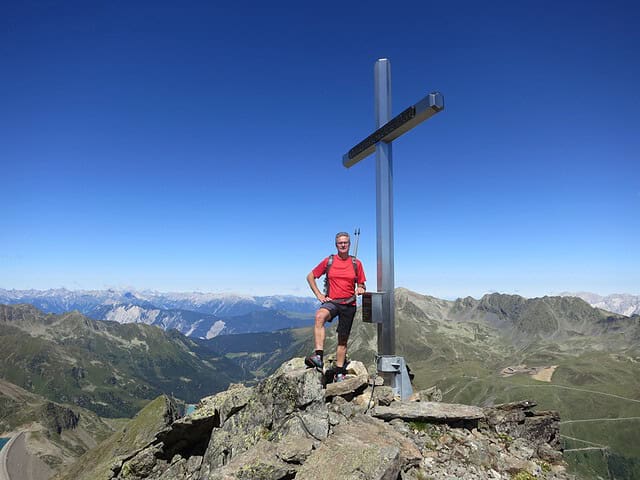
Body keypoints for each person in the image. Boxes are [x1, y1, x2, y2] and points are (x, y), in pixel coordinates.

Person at [305, 231, 366, 382]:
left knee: (342, 340)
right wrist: (319, 295)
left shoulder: (356, 263)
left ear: (349, 244)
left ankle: (339, 372)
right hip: (332, 302)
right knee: (319, 316)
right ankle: (318, 356)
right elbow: (310, 276)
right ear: (336, 245)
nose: (343, 245)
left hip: (349, 303)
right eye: (340, 243)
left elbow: (362, 284)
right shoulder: (329, 261)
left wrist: (360, 289)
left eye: (346, 242)